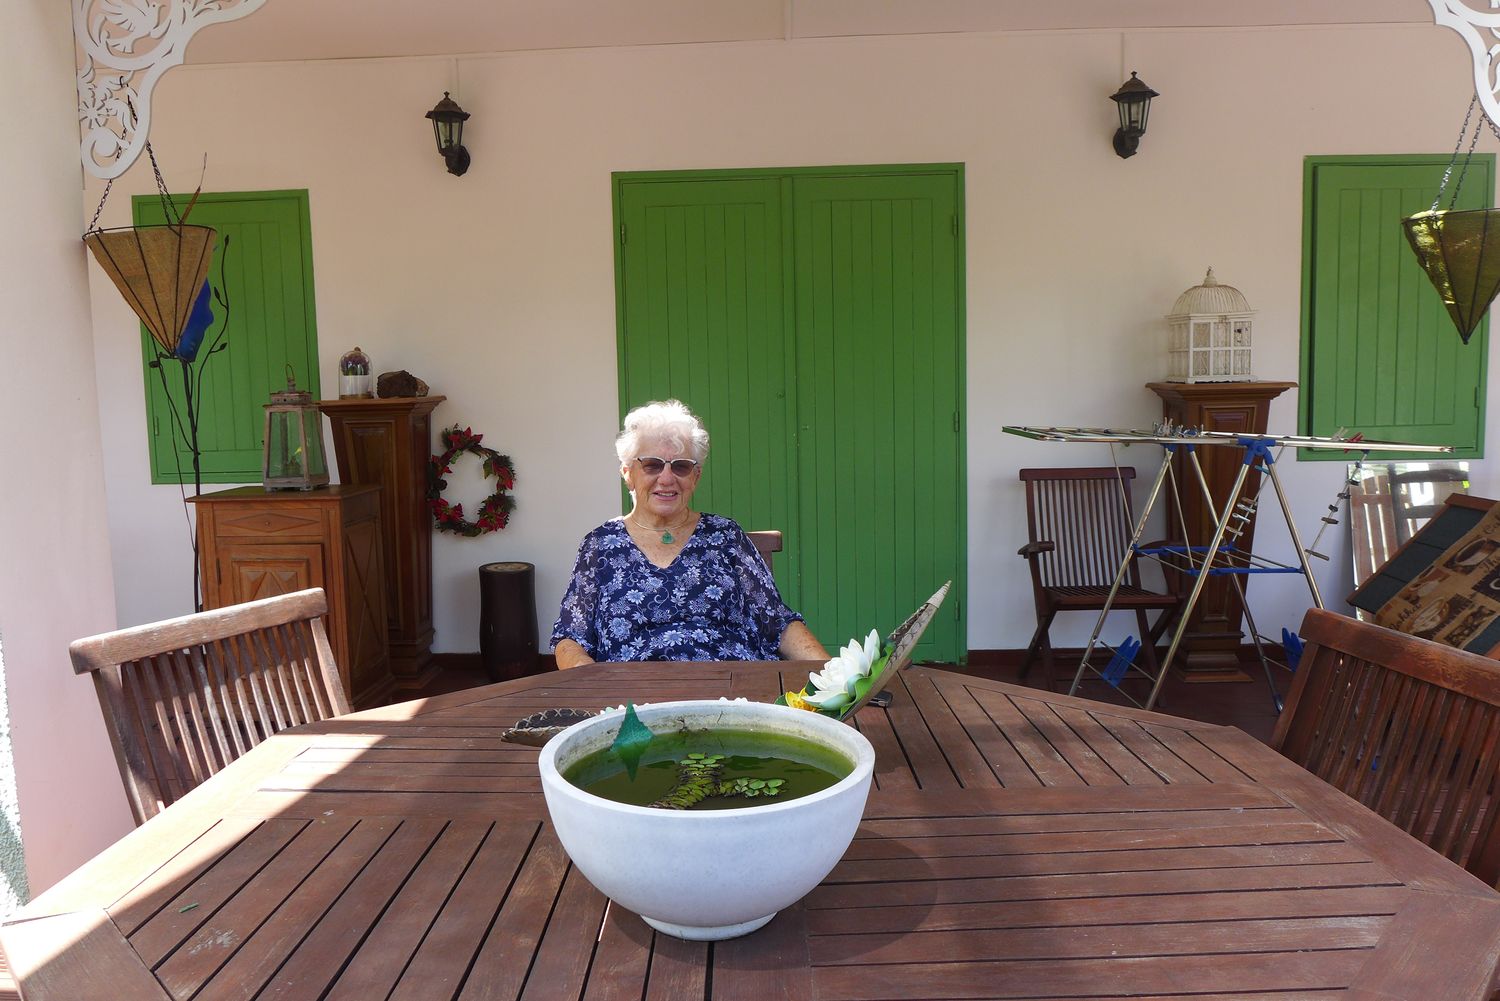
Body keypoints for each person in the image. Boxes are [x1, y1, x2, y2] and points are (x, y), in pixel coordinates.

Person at [551, 399, 829, 668]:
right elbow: (571, 638)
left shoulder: (725, 536)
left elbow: (777, 622)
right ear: (627, 473)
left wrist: (834, 677)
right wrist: (598, 691)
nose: (667, 478)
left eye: (681, 466)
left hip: (731, 690)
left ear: (695, 477)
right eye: (652, 464)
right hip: (633, 698)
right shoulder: (600, 545)